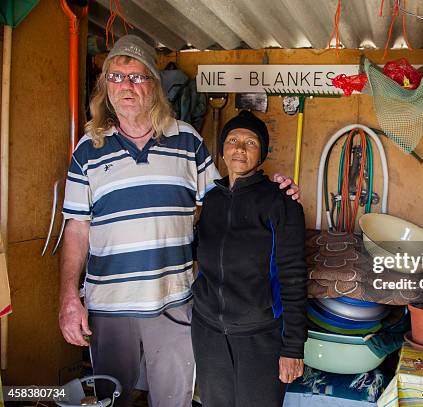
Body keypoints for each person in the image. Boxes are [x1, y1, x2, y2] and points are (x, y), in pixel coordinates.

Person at [58, 35, 299, 407]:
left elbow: (225, 199)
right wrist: (69, 299)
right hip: (109, 305)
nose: (126, 86)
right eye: (116, 77)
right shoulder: (88, 148)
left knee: (173, 400)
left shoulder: (187, 141)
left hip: (174, 302)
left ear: (154, 85)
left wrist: (276, 189)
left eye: (137, 77)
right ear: (105, 86)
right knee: (110, 398)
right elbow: (76, 227)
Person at [192, 110, 307, 407]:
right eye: (232, 140)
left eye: (250, 142)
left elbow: (293, 276)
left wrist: (293, 348)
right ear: (222, 149)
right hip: (208, 332)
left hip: (260, 338)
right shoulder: (211, 201)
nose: (239, 148)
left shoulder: (280, 202)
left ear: (262, 153)